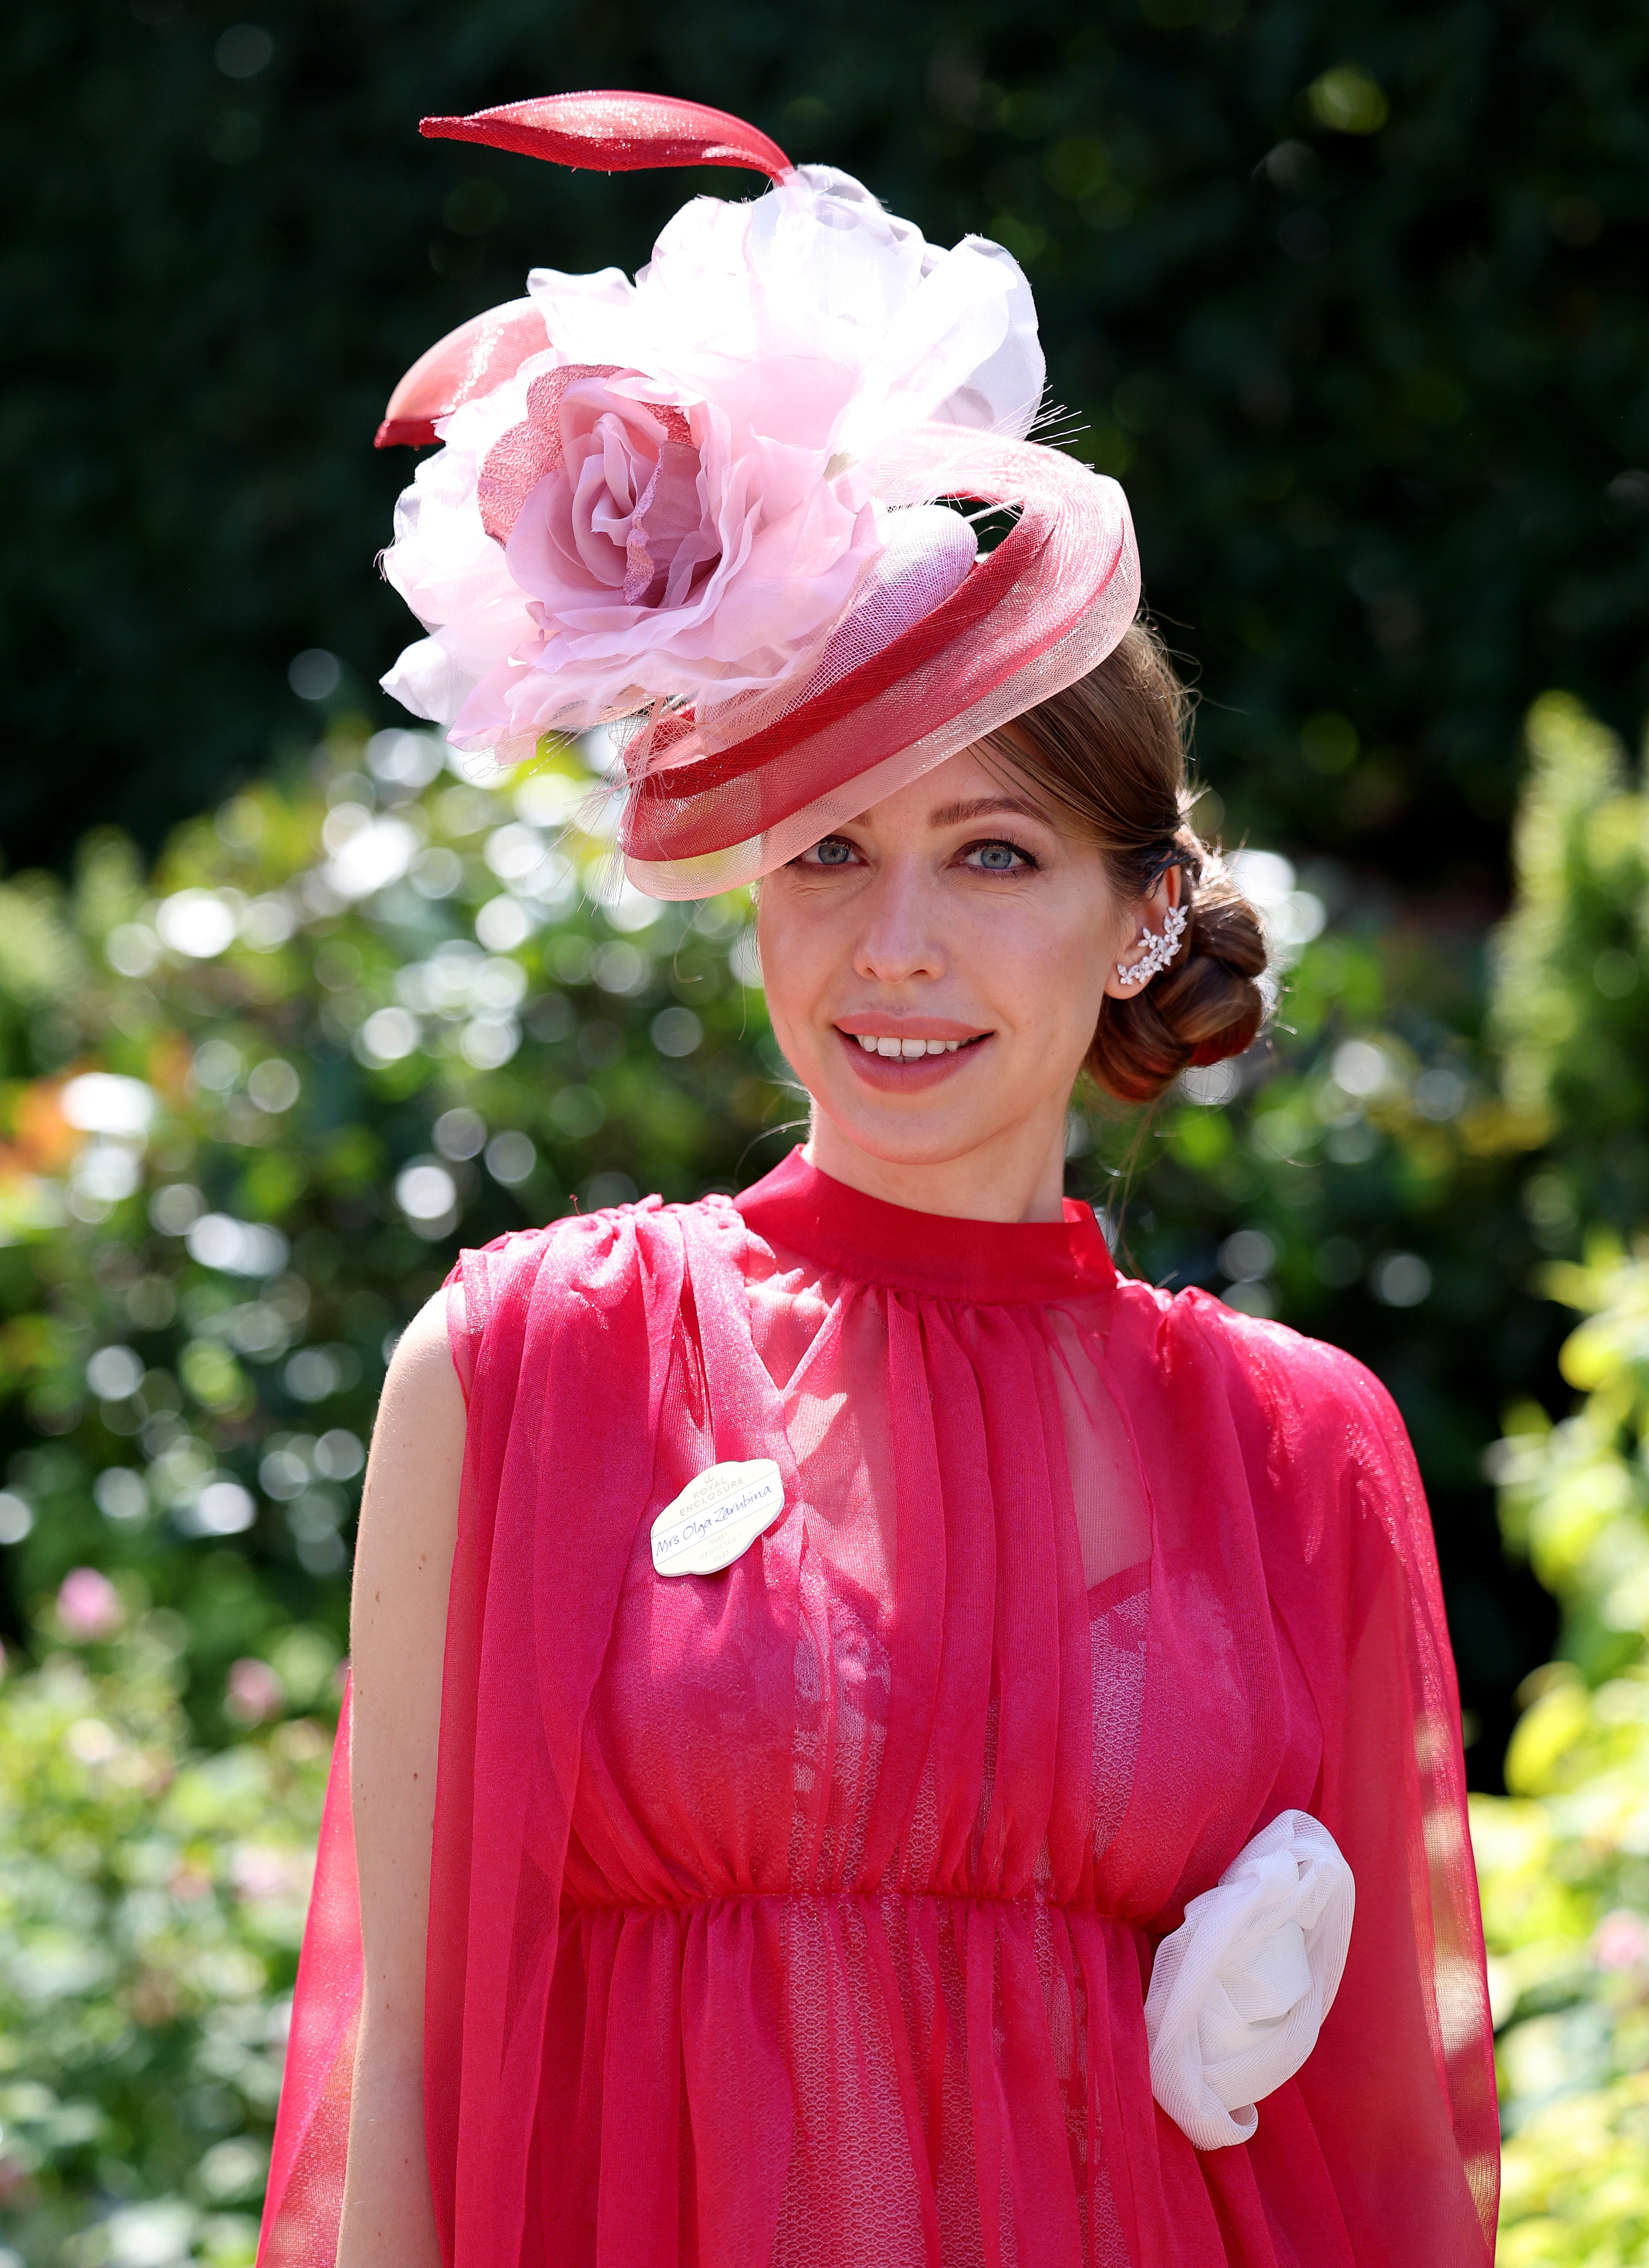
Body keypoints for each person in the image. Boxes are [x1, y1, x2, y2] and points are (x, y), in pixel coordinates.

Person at [257, 93, 1499, 2268]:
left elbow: (1382, 2162)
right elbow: (408, 2094)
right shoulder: (526, 1360)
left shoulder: (1298, 1451)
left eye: (993, 856)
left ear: (1139, 910)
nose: (892, 943)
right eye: (827, 848)